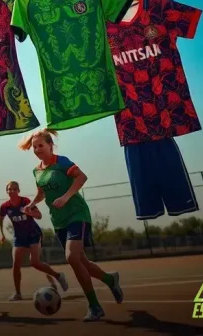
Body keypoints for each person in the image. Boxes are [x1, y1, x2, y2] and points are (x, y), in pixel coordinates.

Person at [19, 129, 123, 321]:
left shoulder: (62, 162)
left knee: (71, 257)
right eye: (34, 147)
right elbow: (42, 193)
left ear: (50, 146)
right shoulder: (37, 171)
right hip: (58, 220)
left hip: (77, 214)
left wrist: (66, 197)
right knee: (80, 261)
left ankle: (94, 306)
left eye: (41, 145)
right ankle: (110, 279)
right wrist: (31, 205)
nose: (37, 149)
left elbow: (82, 177)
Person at [0, 181, 69, 300]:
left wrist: (29, 212)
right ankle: (18, 293)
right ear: (7, 191)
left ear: (18, 191)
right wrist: (1, 233)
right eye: (10, 189)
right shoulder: (5, 206)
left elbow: (39, 215)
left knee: (34, 262)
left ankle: (58, 276)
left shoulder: (25, 202)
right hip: (19, 237)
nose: (12, 191)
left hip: (33, 234)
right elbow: (0, 220)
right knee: (16, 264)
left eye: (15, 189)